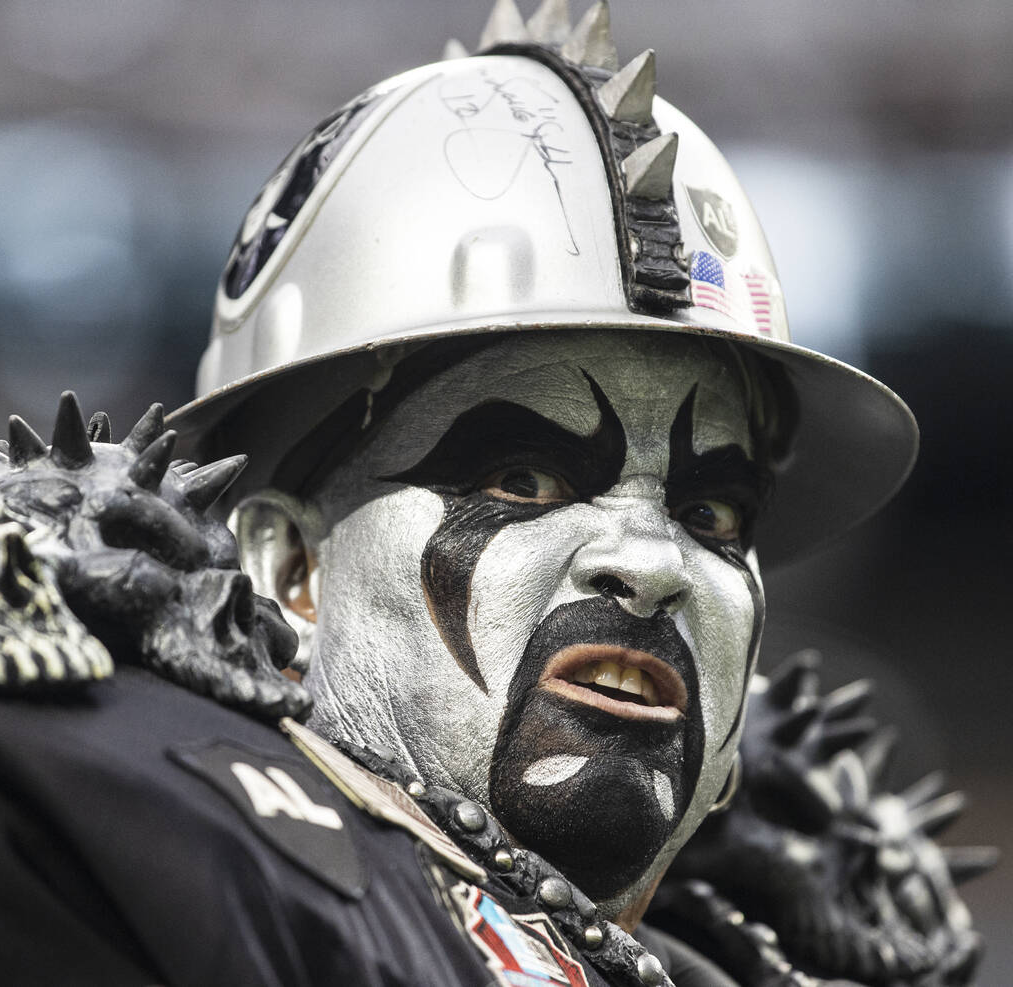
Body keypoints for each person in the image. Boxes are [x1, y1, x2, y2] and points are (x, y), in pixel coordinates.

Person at [170, 0, 916, 946]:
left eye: (709, 510)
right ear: (290, 572)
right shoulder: (138, 895)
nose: (651, 563)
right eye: (524, 480)